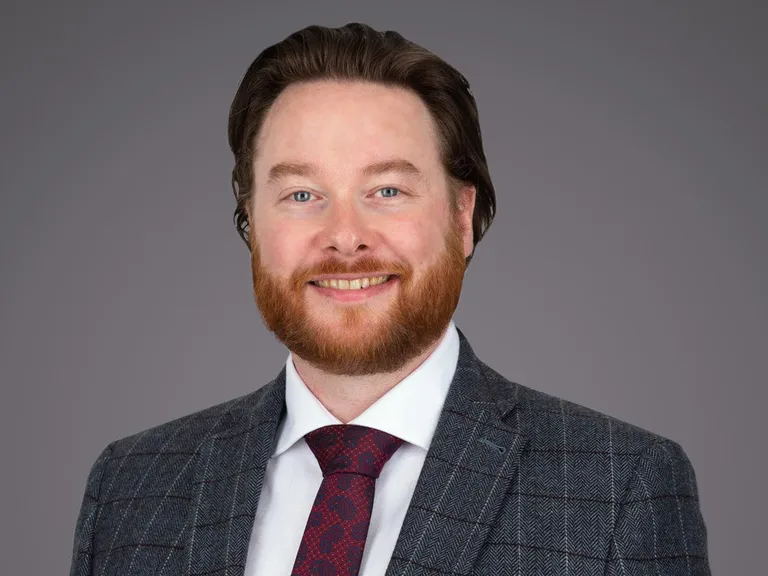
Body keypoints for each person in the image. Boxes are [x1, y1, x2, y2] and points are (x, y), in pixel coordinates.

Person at [69, 22, 711, 576]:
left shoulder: (621, 488)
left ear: (463, 216)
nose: (345, 236)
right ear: (251, 223)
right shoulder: (131, 486)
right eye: (301, 195)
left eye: (387, 191)